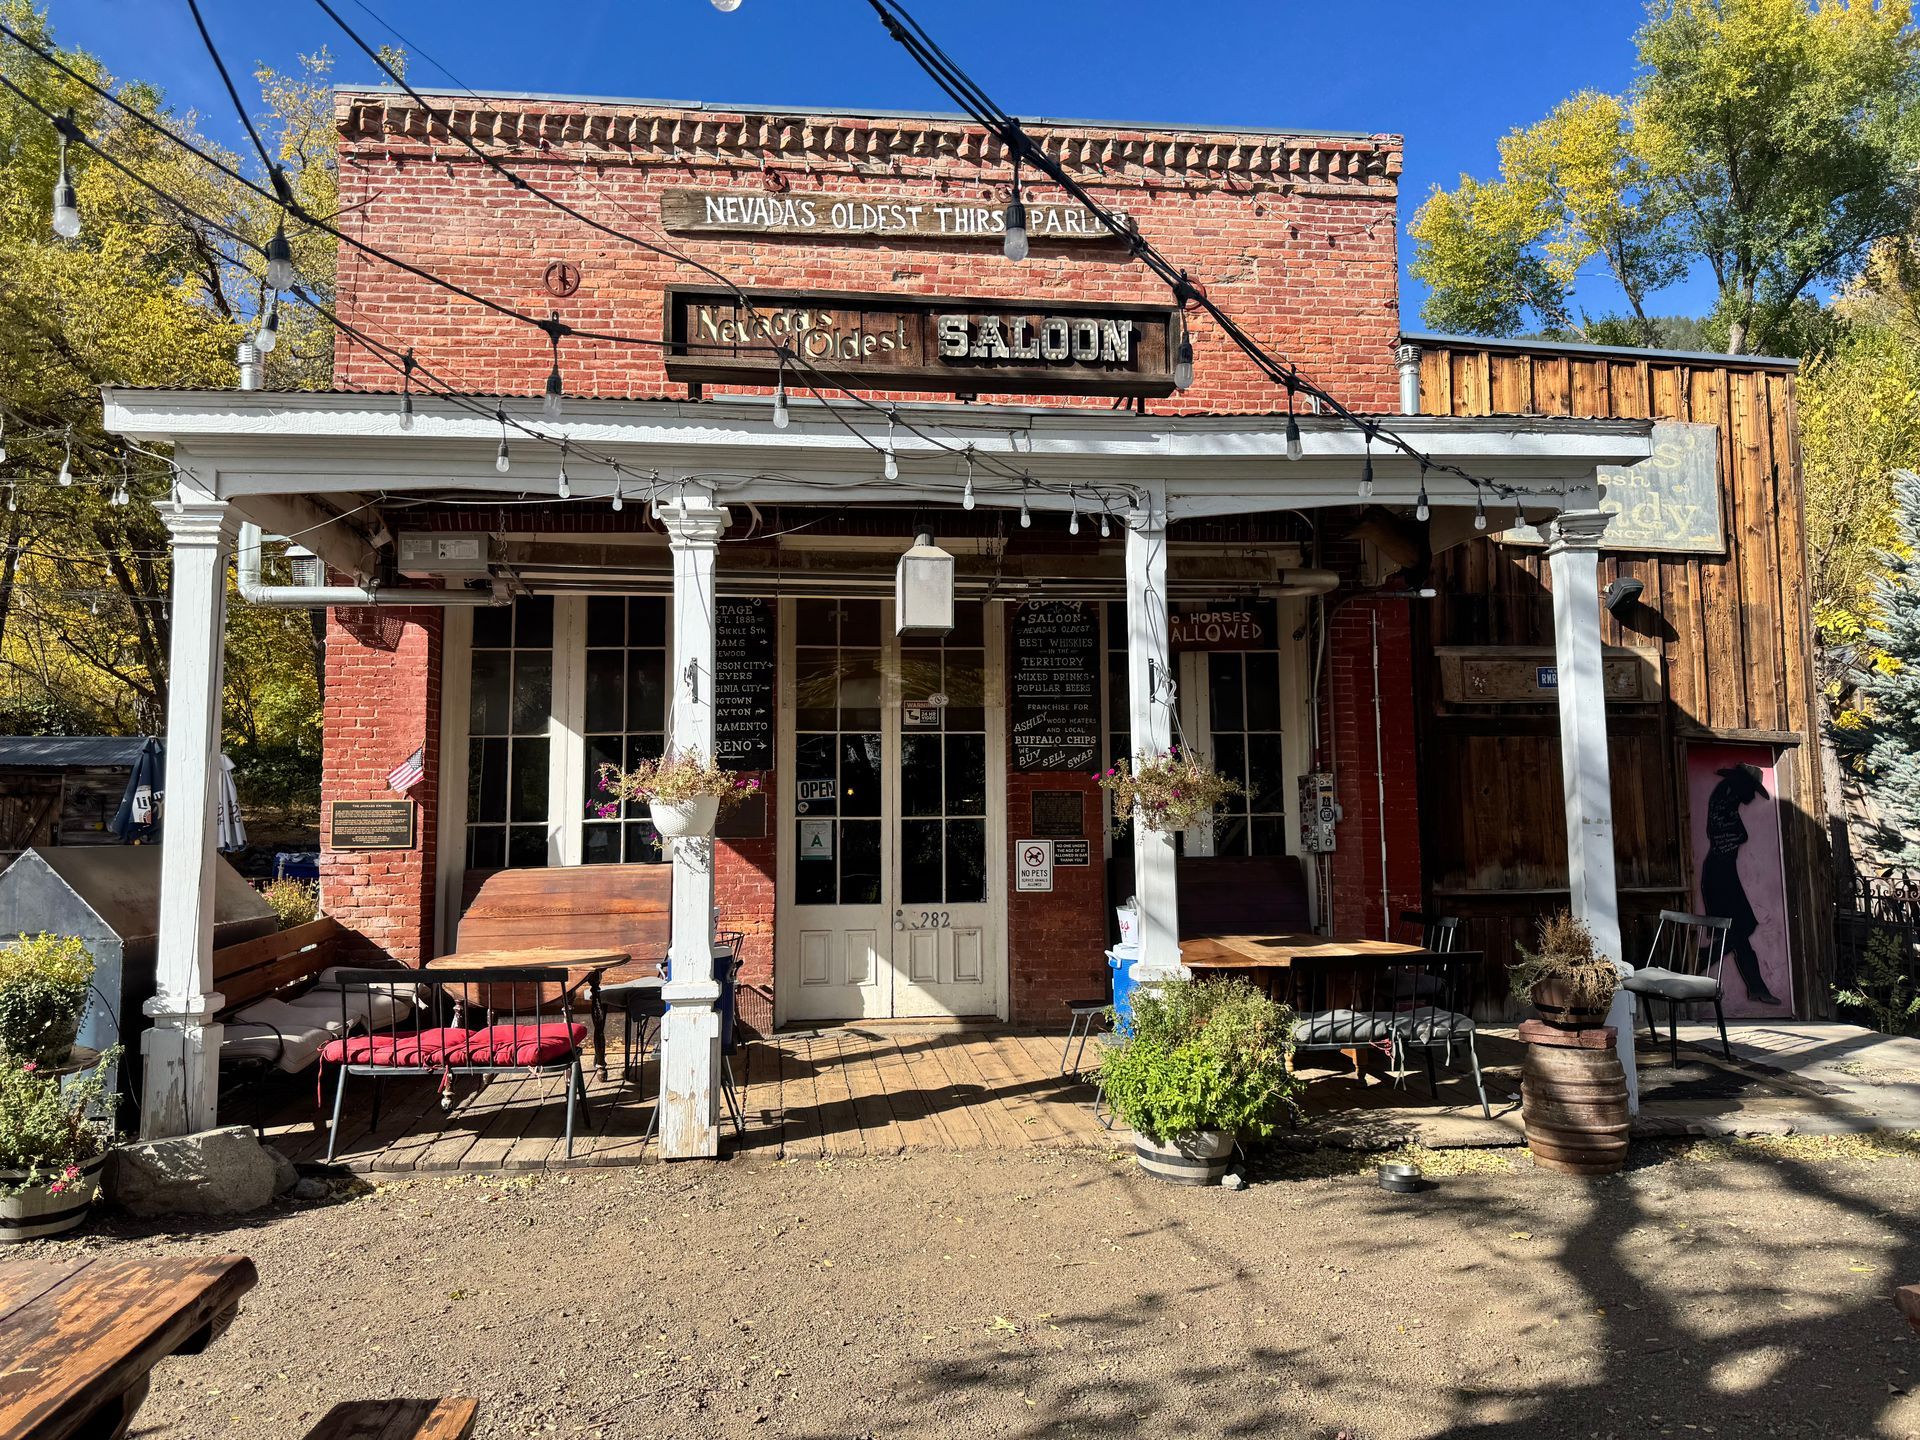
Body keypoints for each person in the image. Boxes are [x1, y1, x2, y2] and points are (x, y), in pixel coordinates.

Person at [1698, 763, 1781, 1006]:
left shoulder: (1726, 799)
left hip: (1723, 872)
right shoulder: (1724, 802)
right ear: (1742, 784)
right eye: (1752, 789)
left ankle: (1700, 961)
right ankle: (1756, 986)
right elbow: (1737, 835)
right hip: (1720, 874)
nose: (1752, 796)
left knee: (1738, 930)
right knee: (1738, 930)